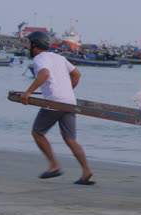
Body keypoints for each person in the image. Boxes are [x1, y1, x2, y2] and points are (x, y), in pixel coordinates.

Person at [20, 31, 94, 185]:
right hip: (69, 102)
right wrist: (67, 91)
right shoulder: (59, 58)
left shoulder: (40, 58)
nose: (28, 46)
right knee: (70, 139)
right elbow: (77, 74)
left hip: (54, 102)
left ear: (35, 45)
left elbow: (44, 74)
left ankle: (54, 165)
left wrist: (28, 92)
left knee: (37, 133)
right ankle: (86, 171)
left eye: (29, 43)